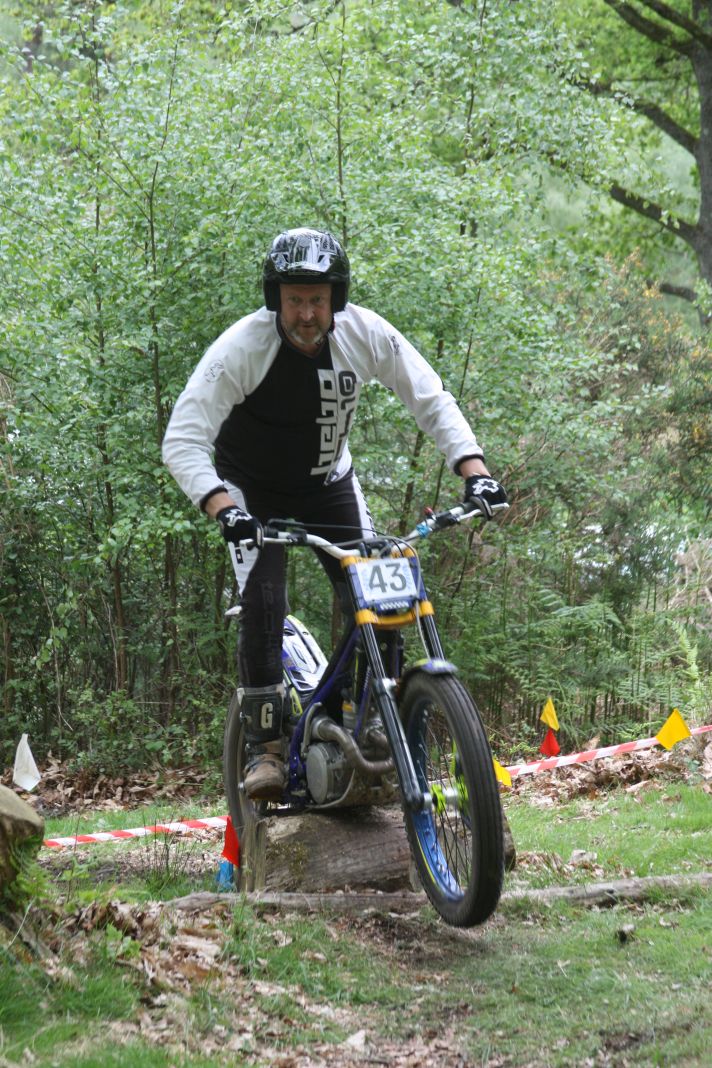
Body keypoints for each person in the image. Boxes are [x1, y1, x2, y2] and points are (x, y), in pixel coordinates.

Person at [162, 228, 506, 800]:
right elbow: (183, 439)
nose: (306, 314)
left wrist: (475, 470)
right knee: (265, 599)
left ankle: (363, 717)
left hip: (328, 484)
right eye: (295, 299)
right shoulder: (241, 348)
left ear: (335, 299)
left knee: (376, 592)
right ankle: (265, 748)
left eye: (317, 300)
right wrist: (224, 509)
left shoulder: (365, 333)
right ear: (276, 298)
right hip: (251, 492)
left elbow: (429, 396)